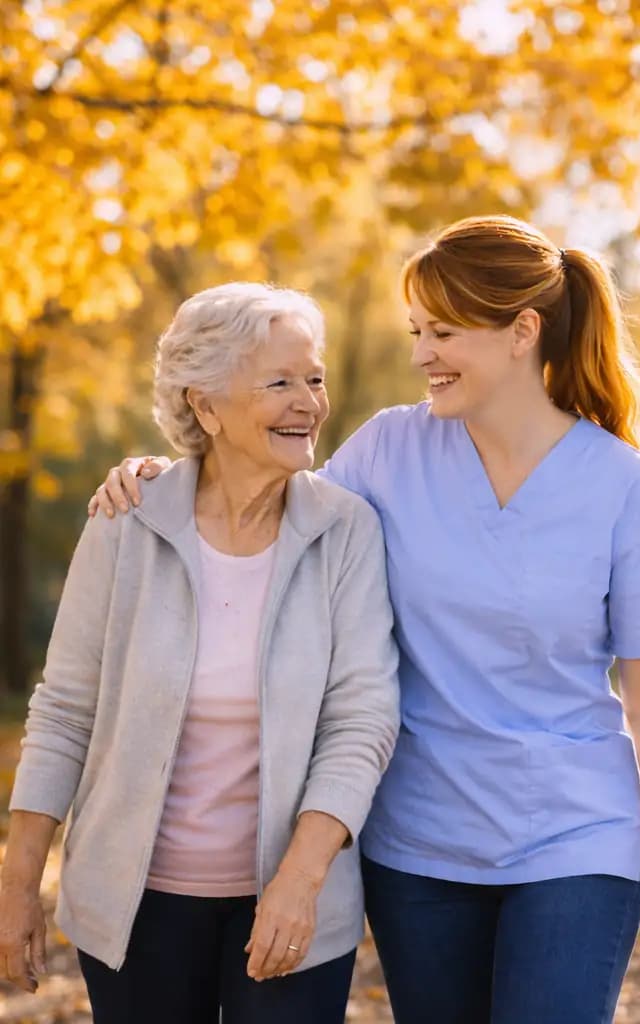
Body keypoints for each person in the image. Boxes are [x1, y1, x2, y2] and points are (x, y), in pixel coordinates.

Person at [90, 216, 640, 1023]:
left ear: (522, 332)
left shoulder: (627, 488)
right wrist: (163, 475)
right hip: (419, 846)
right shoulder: (386, 451)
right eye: (417, 330)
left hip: (576, 835)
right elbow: (270, 506)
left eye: (444, 332)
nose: (422, 354)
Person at [0, 283, 400, 1024]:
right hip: (135, 906)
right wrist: (18, 884)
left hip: (293, 899)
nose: (308, 401)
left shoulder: (346, 531)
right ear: (205, 407)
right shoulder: (126, 520)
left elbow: (362, 719)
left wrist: (300, 880)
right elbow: (64, 712)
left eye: (313, 378)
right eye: (278, 382)